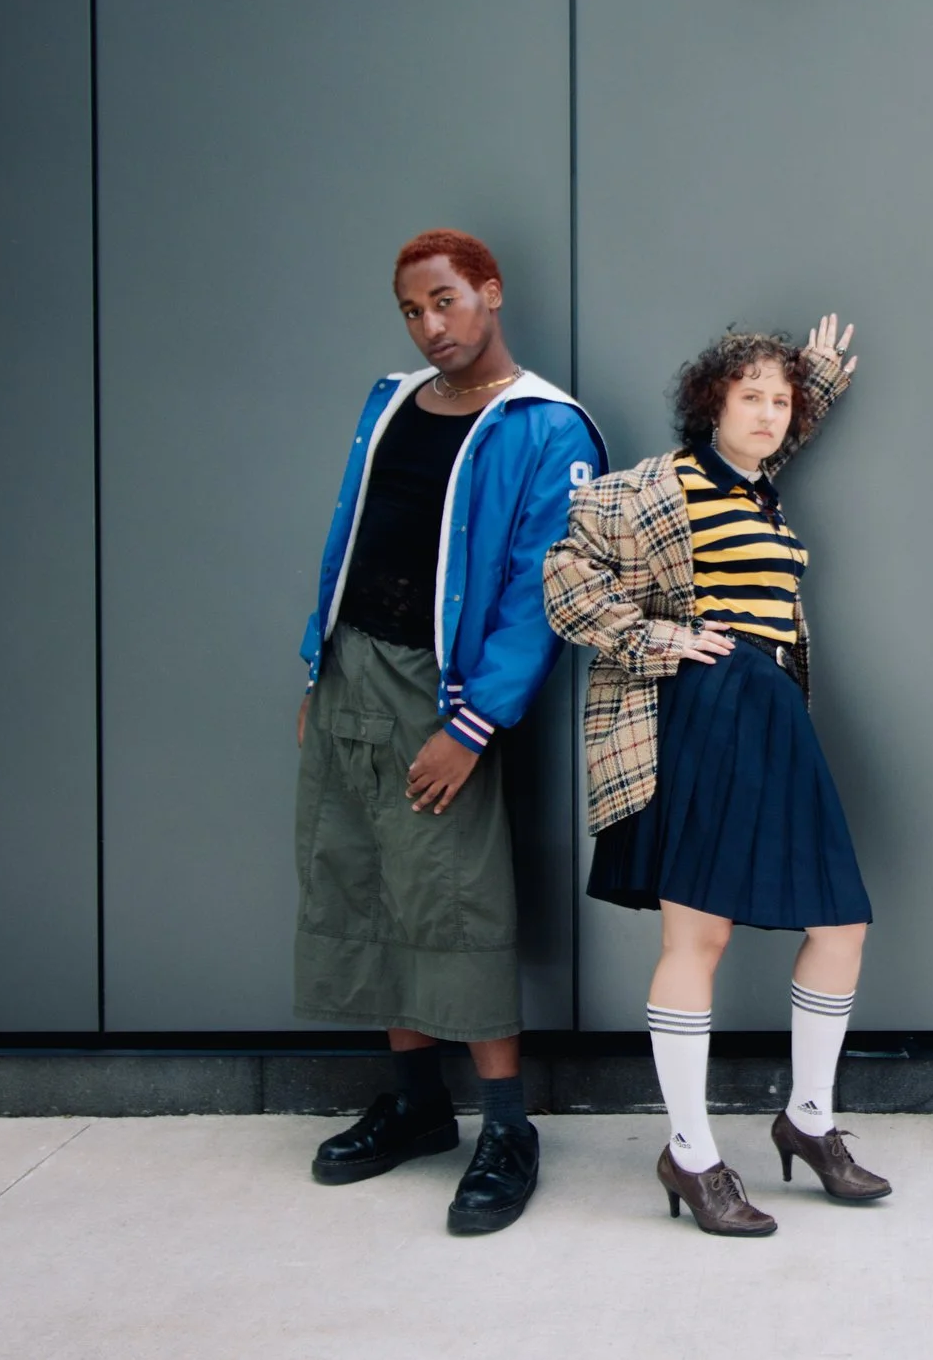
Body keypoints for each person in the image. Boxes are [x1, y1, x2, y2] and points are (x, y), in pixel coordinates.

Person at [293, 228, 608, 1235]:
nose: (431, 326)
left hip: (446, 690)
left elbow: (539, 590)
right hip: (353, 670)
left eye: (445, 302)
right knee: (370, 874)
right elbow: (351, 531)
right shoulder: (388, 401)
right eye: (412, 310)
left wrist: (471, 726)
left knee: (455, 895)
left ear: (489, 291)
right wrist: (318, 662)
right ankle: (417, 1103)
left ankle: (507, 1128)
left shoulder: (545, 427)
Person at [542, 317, 880, 1238]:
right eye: (750, 397)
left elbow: (773, 435)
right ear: (710, 403)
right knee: (702, 935)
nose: (770, 413)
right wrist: (658, 636)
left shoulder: (760, 486)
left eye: (782, 401)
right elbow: (565, 579)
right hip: (704, 712)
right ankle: (690, 1153)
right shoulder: (658, 487)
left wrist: (807, 381)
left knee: (841, 921)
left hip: (776, 711)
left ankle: (808, 1122)